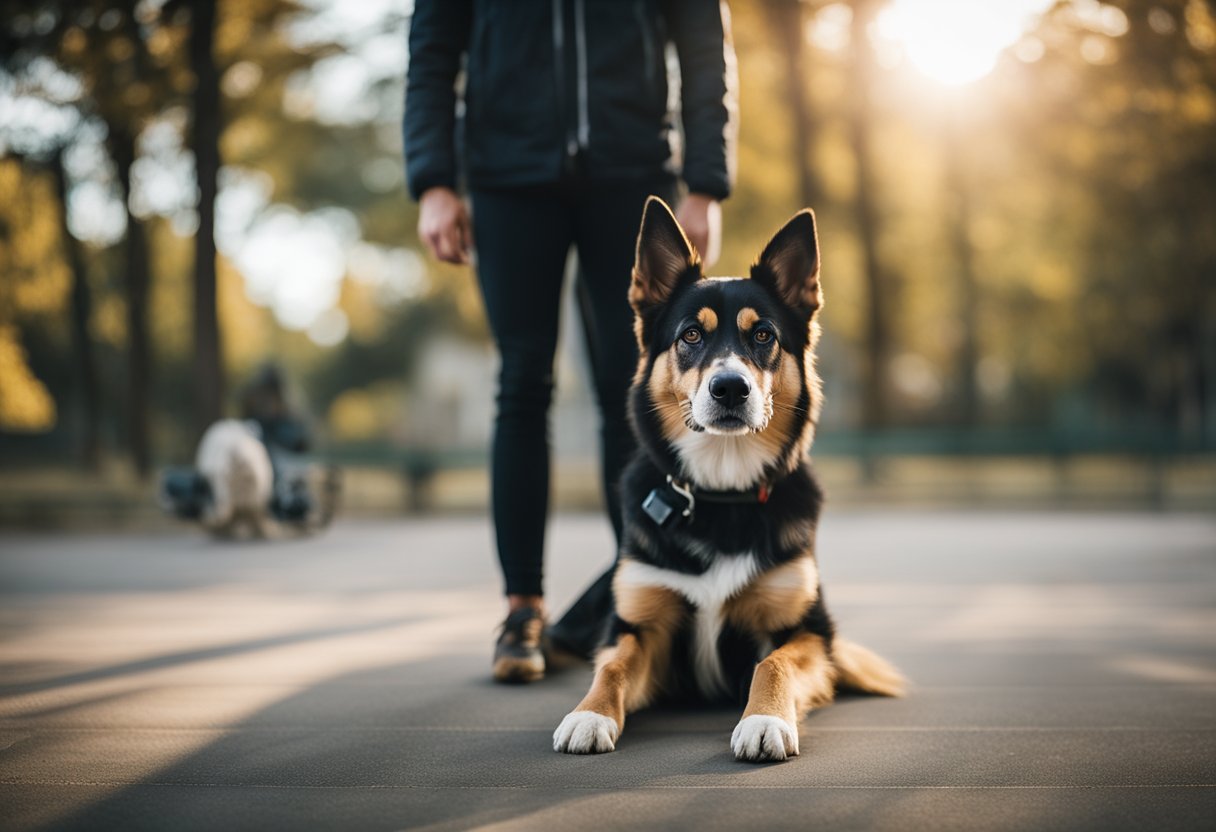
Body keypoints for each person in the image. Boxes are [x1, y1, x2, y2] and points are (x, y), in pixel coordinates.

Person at [404, 0, 738, 682]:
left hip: (632, 170)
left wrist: (705, 183)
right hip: (507, 174)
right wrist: (434, 180)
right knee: (522, 381)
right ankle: (522, 608)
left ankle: (640, 598)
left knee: (636, 382)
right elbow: (433, 52)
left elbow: (703, 41)